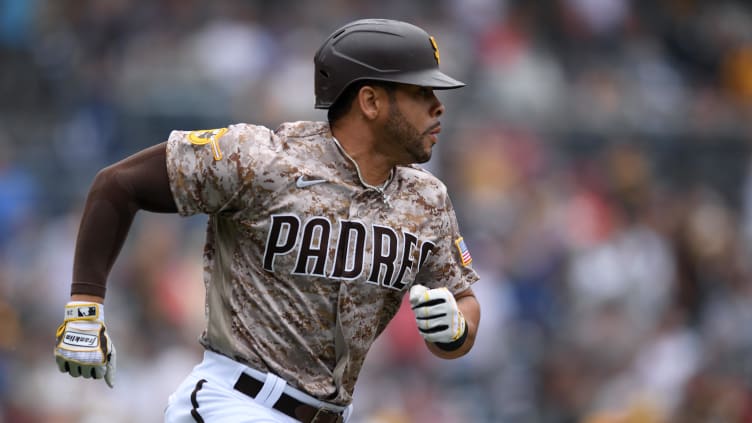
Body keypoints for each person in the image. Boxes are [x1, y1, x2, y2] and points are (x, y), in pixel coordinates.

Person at [54, 18, 480, 423]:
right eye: (420, 93)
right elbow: (117, 184)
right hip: (236, 402)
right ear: (370, 101)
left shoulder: (427, 199)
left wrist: (457, 329)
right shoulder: (262, 160)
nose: (438, 106)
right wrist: (85, 305)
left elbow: (464, 301)